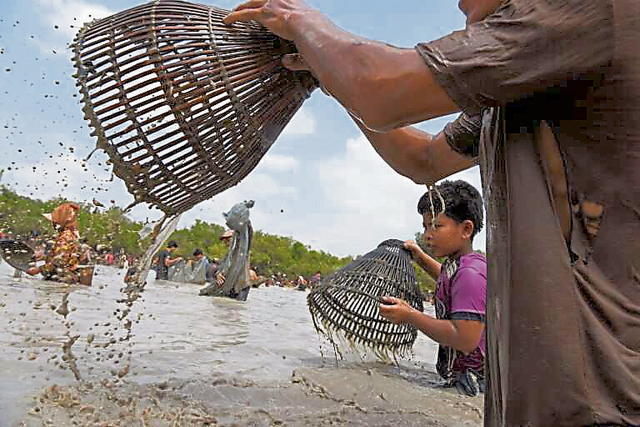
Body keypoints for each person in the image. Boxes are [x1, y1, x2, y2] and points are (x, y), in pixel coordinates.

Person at [225, 1, 640, 425]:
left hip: (602, 399)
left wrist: (301, 22)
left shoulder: (585, 11)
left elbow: (379, 88)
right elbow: (422, 158)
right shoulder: (517, 84)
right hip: (541, 400)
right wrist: (331, 80)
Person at [380, 180, 486, 397]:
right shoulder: (457, 266)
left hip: (477, 385)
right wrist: (421, 258)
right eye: (425, 226)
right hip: (461, 376)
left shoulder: (471, 274)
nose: (428, 234)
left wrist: (410, 316)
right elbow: (448, 280)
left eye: (436, 226)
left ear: (466, 229)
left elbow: (465, 339)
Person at [26, 203, 86, 284]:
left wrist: (38, 270)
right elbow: (64, 256)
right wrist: (44, 257)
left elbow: (59, 262)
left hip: (61, 279)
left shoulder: (65, 237)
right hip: (67, 278)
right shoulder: (71, 234)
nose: (52, 224)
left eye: (54, 221)